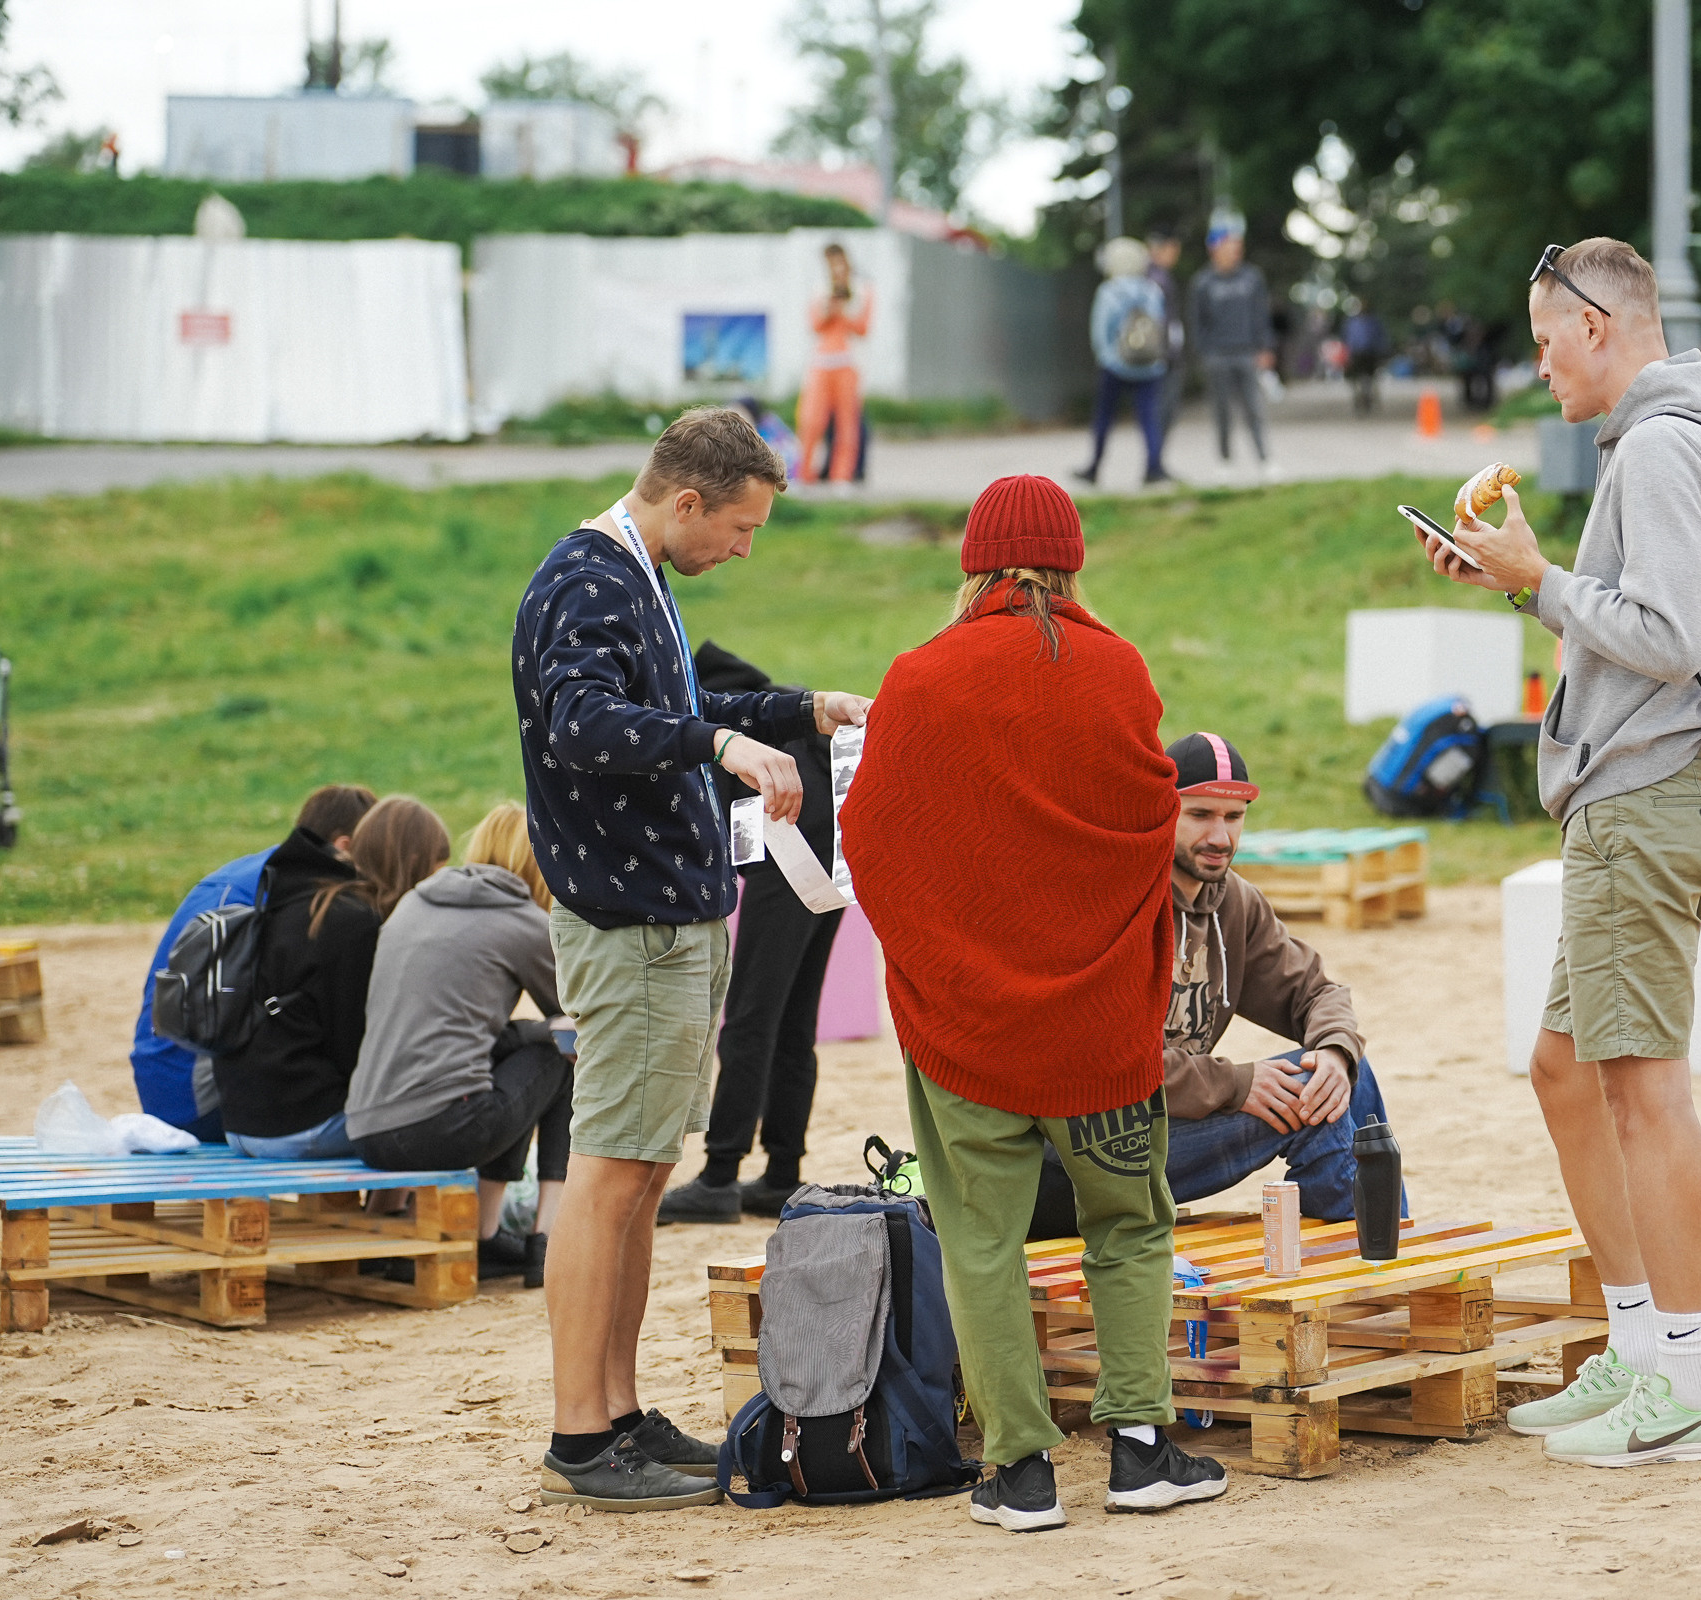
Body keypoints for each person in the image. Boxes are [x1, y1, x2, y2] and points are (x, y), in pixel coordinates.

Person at [1419, 236, 1701, 1468]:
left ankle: (1690, 1377)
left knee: (1642, 1087)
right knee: (1567, 1069)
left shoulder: (1665, 444)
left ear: (1599, 325)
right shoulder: (1695, 434)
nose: (1540, 364)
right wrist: (1522, 584)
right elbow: (1650, 623)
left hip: (1643, 793)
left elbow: (1663, 634)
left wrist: (1541, 578)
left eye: (1546, 339)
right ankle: (1638, 1343)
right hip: (1653, 796)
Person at [839, 474, 1226, 1531]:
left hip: (966, 1025)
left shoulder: (919, 680)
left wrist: (934, 963)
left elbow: (868, 839)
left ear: (975, 563)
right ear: (1071, 559)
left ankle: (1019, 1472)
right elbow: (1152, 818)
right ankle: (1143, 1450)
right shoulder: (1117, 670)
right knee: (1131, 1226)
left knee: (979, 1238)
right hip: (1099, 1028)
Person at [512, 405, 871, 1512]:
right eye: (743, 528)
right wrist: (719, 742)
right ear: (686, 502)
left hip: (669, 920)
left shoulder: (639, 579)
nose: (744, 548)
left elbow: (677, 702)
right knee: (609, 1176)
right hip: (627, 928)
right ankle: (582, 1433)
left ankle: (619, 1411)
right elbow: (581, 722)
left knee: (641, 1174)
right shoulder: (586, 579)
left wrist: (796, 709)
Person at [1027, 731, 1397, 1237]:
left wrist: (1335, 1051)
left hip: (1163, 1132)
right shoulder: (1119, 902)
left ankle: (1373, 1249)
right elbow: (1104, 1055)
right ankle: (1362, 1262)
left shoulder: (1233, 904)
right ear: (1162, 810)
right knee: (1316, 1103)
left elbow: (1317, 993)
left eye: (1234, 817)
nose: (1220, 837)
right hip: (1077, 1156)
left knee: (1341, 1075)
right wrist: (1233, 1084)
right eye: (1199, 815)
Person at [345, 803, 572, 1288]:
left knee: (519, 1052)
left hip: (367, 1130)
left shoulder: (414, 904)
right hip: (442, 1130)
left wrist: (529, 1031)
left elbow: (458, 1032)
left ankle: (414, 1229)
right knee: (564, 1054)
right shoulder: (523, 921)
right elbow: (577, 1013)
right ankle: (542, 1239)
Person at [655, 642, 843, 1224]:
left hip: (787, 859)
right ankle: (781, 1172)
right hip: (831, 864)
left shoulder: (705, 703)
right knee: (792, 1023)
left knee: (751, 1019)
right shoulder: (771, 702)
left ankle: (719, 1176)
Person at [131, 784, 377, 1140]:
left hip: (163, 1080)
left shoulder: (258, 872)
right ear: (345, 847)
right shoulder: (291, 893)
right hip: (197, 1098)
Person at [214, 795, 448, 1160]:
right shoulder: (354, 925)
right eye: (432, 875)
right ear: (411, 865)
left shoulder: (296, 899)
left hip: (240, 1124)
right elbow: (357, 1050)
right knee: (450, 1114)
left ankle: (389, 1205)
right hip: (302, 1127)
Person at [1077, 236, 1172, 488]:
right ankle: (1154, 468)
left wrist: (1108, 358)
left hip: (1115, 366)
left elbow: (1101, 331)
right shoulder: (1152, 290)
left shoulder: (1109, 292)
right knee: (1149, 418)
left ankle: (1094, 468)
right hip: (1150, 366)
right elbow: (1160, 326)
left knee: (1104, 419)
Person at [1188, 217, 1273, 474]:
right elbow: (1196, 320)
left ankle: (1264, 460)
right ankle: (1225, 462)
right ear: (1215, 248)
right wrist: (1204, 352)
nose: (1235, 251)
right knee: (1222, 412)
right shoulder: (1202, 283)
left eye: (1238, 245)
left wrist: (1264, 347)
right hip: (1217, 355)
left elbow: (1260, 315)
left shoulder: (1252, 278)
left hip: (1246, 352)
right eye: (1229, 245)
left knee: (1253, 409)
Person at [795, 242, 873, 489]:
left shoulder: (862, 290)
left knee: (846, 423)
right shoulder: (820, 290)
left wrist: (846, 309)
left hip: (847, 363)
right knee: (810, 420)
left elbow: (863, 328)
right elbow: (814, 324)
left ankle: (842, 477)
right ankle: (803, 475)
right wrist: (829, 307)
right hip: (821, 362)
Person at [1145, 233, 1186, 437]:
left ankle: (1156, 459)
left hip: (1165, 351)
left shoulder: (1160, 277)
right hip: (1162, 353)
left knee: (1164, 408)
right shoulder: (1156, 279)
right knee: (1163, 408)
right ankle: (1155, 461)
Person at [1341, 298, 1388, 415]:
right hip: (1355, 353)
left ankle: (1368, 398)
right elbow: (1346, 338)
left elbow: (1381, 337)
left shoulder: (1374, 322)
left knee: (1370, 377)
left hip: (1370, 353)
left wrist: (1382, 351)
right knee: (1355, 378)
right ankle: (1358, 398)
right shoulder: (1351, 322)